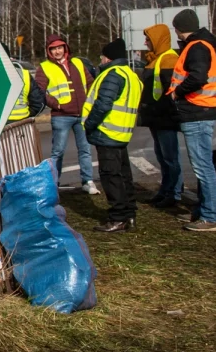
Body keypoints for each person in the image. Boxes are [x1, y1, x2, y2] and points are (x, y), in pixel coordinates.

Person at [167, 9, 216, 232]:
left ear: (179, 27)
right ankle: (202, 211)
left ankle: (209, 216)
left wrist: (177, 93)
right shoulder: (201, 44)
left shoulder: (197, 46)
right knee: (202, 165)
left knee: (202, 167)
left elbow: (198, 77)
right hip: (199, 111)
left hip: (197, 112)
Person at [83, 38, 143, 232]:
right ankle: (129, 214)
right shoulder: (131, 74)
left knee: (110, 176)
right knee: (124, 175)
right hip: (122, 133)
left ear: (108, 57)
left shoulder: (113, 74)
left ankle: (117, 217)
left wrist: (90, 124)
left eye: (102, 56)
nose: (100, 59)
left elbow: (103, 104)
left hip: (107, 131)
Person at [36, 34, 99, 194]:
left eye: (59, 47)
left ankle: (88, 181)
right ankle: (54, 184)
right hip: (61, 116)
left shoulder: (78, 63)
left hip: (83, 114)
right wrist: (56, 104)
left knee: (85, 149)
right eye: (53, 49)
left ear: (65, 47)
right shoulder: (44, 67)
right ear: (49, 51)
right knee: (58, 151)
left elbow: (91, 83)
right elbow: (40, 91)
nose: (57, 51)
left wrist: (91, 104)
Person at [138, 24, 182, 208]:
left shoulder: (169, 59)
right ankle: (165, 190)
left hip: (165, 117)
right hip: (155, 117)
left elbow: (171, 91)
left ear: (158, 39)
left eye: (148, 39)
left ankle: (174, 193)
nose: (145, 42)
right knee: (162, 156)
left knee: (170, 157)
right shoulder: (153, 60)